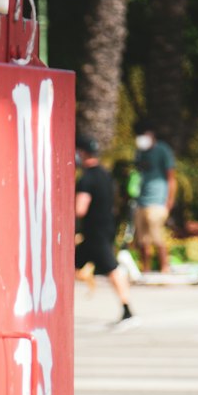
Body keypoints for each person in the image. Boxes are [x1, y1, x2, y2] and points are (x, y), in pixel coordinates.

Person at [74, 134, 132, 325]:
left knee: (112, 269)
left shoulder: (87, 179)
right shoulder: (105, 175)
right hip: (105, 228)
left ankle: (128, 310)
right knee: (67, 267)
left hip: (94, 233)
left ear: (81, 153)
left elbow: (80, 209)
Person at [132, 120, 176, 273]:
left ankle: (165, 267)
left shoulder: (163, 150)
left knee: (157, 237)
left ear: (151, 134)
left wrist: (169, 201)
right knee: (142, 240)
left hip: (158, 201)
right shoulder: (139, 152)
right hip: (141, 201)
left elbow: (171, 177)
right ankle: (146, 269)